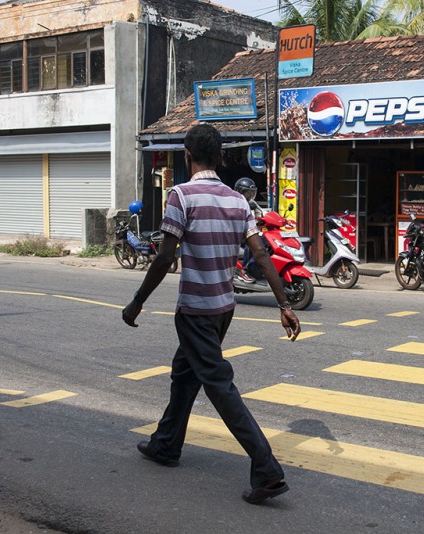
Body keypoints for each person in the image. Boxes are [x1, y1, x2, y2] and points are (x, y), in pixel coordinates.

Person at [122, 124, 301, 505]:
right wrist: (283, 305)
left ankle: (267, 470)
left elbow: (166, 257)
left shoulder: (181, 196)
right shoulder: (238, 201)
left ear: (188, 156)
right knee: (185, 375)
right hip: (223, 309)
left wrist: (138, 300)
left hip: (195, 311)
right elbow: (263, 255)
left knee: (219, 385)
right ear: (220, 157)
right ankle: (166, 444)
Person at [234, 177, 262, 284]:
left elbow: (261, 213)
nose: (249, 196)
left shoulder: (252, 203)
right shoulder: (235, 202)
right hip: (238, 234)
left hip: (250, 231)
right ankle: (244, 271)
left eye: (251, 193)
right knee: (251, 244)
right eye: (247, 193)